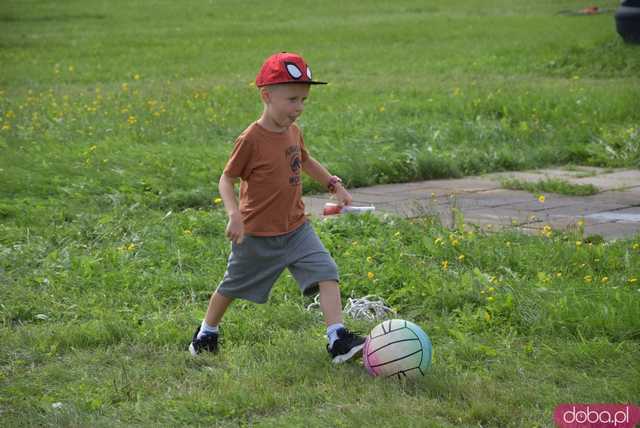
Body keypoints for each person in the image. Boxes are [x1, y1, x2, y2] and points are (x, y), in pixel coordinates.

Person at [188, 52, 365, 363]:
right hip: (257, 234)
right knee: (231, 286)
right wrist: (234, 215)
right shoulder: (251, 139)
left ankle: (336, 337)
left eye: (304, 100)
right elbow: (226, 179)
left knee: (327, 272)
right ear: (267, 96)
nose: (299, 108)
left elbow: (305, 160)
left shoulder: (293, 131)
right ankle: (206, 332)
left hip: (296, 228)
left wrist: (332, 184)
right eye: (292, 99)